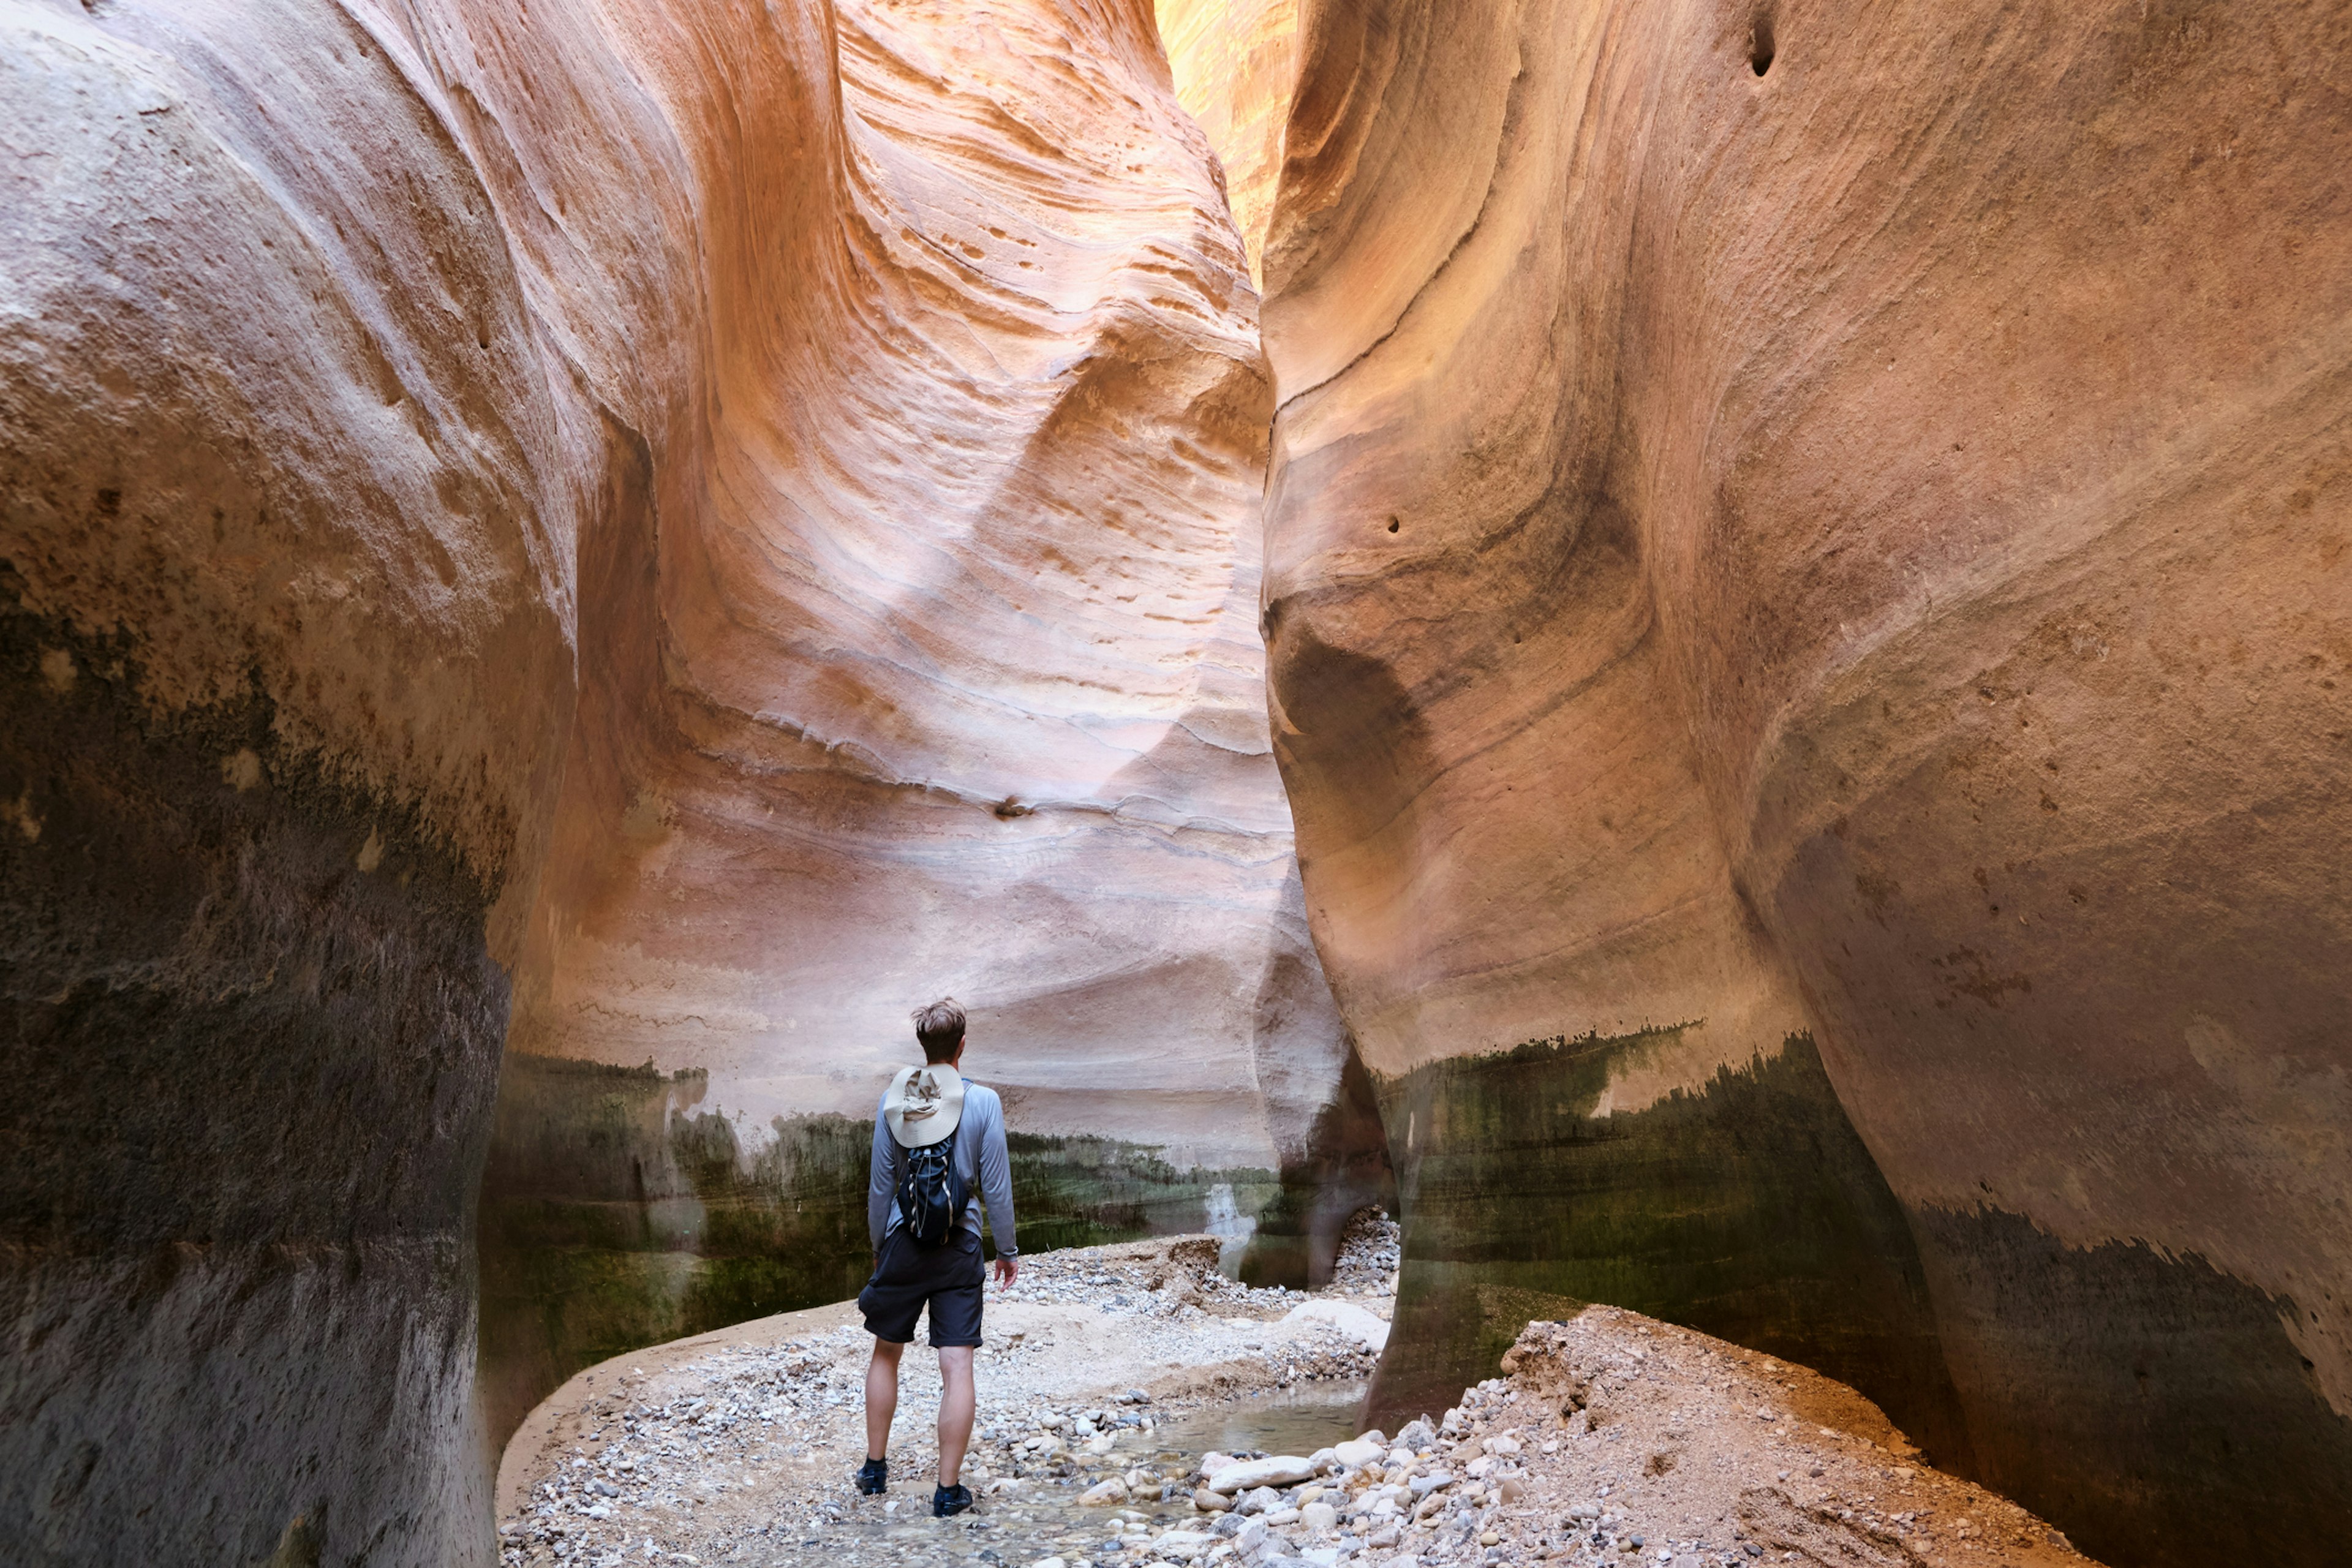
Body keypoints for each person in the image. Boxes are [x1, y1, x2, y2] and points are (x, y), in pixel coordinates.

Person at [855, 998, 1018, 1517]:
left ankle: (875, 1470)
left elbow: (882, 1185)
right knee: (957, 1365)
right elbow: (995, 1186)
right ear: (962, 1046)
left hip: (904, 1241)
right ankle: (947, 1492)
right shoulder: (985, 1102)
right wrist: (1007, 1250)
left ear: (923, 1048)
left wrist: (882, 1249)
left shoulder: (894, 1100)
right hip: (960, 1243)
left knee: (887, 1351)